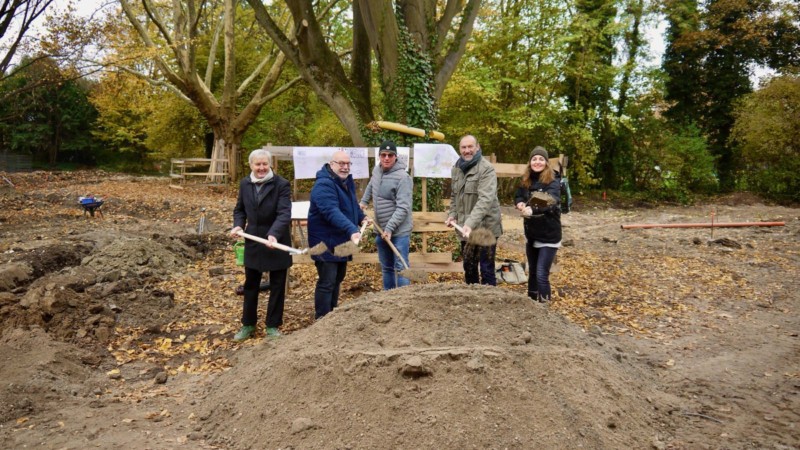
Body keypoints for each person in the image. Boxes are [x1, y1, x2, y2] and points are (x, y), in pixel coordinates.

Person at [230, 149, 293, 340]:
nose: (262, 168)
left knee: (277, 285)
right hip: (254, 241)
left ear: (270, 164)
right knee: (251, 285)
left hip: (276, 241)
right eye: (258, 164)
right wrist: (238, 226)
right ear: (251, 165)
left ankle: (273, 326)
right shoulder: (245, 184)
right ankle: (248, 324)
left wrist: (274, 234)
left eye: (265, 164)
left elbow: (284, 213)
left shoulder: (281, 184)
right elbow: (239, 210)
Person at [308, 150, 368, 319]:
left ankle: (332, 314)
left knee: (338, 278)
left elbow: (352, 205)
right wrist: (352, 230)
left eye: (348, 164)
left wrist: (361, 218)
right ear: (332, 164)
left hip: (341, 241)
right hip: (324, 242)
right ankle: (322, 318)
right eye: (341, 163)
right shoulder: (323, 185)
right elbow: (331, 211)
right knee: (327, 281)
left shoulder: (345, 181)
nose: (345, 167)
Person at [445, 135, 503, 285]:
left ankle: (489, 304)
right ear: (460, 149)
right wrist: (452, 215)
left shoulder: (486, 169)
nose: (467, 150)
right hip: (467, 228)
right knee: (469, 267)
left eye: (470, 147)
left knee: (486, 269)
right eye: (463, 147)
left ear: (477, 147)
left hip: (486, 228)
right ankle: (472, 304)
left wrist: (469, 223)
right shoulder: (457, 169)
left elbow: (485, 200)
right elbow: (454, 196)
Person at [359, 140, 413, 290]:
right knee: (387, 268)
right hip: (381, 230)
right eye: (383, 155)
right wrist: (363, 202)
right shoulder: (377, 171)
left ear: (396, 157)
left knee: (401, 268)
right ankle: (388, 301)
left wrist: (389, 228)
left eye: (390, 155)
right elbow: (371, 184)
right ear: (379, 157)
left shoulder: (403, 178)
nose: (386, 158)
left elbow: (403, 208)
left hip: (398, 232)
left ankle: (403, 302)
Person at [514, 146, 562, 303]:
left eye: (541, 159)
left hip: (549, 235)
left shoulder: (553, 180)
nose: (537, 162)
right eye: (534, 159)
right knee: (533, 272)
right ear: (530, 162)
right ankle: (532, 304)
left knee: (541, 273)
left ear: (546, 163)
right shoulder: (526, 180)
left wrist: (532, 210)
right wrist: (520, 203)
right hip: (532, 234)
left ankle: (545, 307)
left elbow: (551, 201)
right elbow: (519, 195)